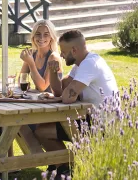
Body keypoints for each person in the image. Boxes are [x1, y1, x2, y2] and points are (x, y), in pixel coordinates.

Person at [35, 29, 118, 176]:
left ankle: (65, 167)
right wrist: (52, 70)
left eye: (63, 51)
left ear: (74, 50)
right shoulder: (80, 65)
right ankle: (65, 168)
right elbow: (61, 91)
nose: (60, 55)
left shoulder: (90, 64)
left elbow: (67, 97)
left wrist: (61, 97)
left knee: (42, 131)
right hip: (90, 119)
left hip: (102, 125)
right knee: (42, 128)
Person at [18, 20, 63, 92]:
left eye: (46, 34)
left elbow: (43, 87)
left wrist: (31, 63)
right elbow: (21, 80)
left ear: (51, 37)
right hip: (38, 99)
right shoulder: (31, 54)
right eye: (38, 34)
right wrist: (24, 84)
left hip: (52, 101)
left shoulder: (53, 57)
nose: (41, 38)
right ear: (33, 36)